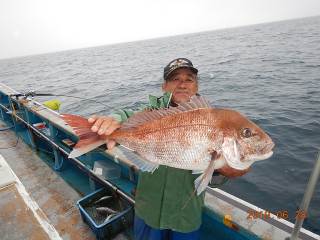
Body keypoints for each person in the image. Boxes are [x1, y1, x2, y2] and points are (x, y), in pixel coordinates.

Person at [89, 58, 251, 240]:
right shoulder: (149, 113)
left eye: (189, 79)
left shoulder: (212, 121)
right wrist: (109, 123)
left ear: (196, 88)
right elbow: (126, 116)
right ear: (164, 87)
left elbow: (210, 179)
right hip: (148, 211)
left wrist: (222, 170)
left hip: (186, 216)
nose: (182, 84)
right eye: (175, 79)